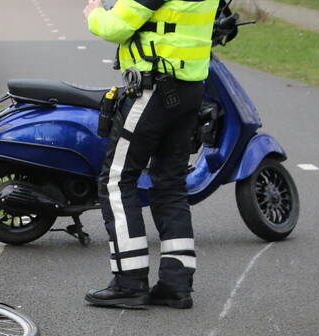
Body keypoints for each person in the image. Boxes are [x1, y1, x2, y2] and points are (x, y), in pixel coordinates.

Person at [82, 0, 219, 310]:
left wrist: (94, 14)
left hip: (153, 89)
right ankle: (176, 284)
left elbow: (117, 26)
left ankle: (128, 282)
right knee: (170, 184)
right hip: (189, 89)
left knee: (116, 180)